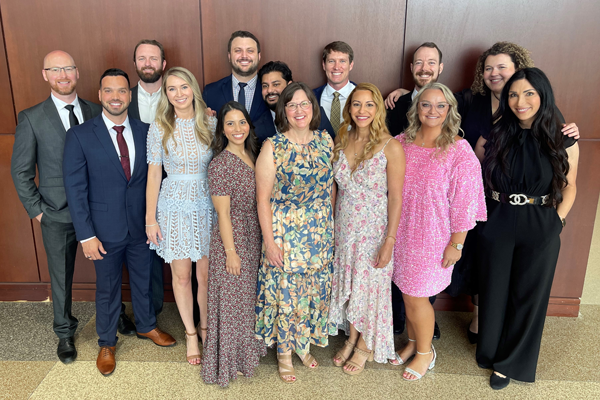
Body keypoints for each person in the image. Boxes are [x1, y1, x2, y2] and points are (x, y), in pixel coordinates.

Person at [386, 42, 579, 342]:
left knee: (509, 277)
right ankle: (480, 328)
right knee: (485, 268)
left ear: (517, 71)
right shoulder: (470, 100)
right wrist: (403, 93)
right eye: (488, 68)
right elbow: (432, 101)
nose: (494, 73)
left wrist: (558, 219)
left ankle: (479, 337)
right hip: (478, 200)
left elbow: (566, 173)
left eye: (502, 67)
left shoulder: (537, 110)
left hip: (494, 202)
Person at [63, 68, 176, 376]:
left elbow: (158, 178)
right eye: (109, 91)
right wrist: (86, 235)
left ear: (130, 95)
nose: (116, 97)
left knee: (143, 281)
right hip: (103, 230)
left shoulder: (147, 130)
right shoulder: (80, 136)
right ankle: (106, 341)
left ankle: (147, 326)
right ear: (100, 95)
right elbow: (75, 190)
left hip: (142, 227)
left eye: (122, 91)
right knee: (108, 288)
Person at [476, 68, 579, 390]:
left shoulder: (563, 136)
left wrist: (557, 222)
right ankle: (490, 352)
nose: (520, 101)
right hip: (499, 219)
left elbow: (570, 184)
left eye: (529, 93)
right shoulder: (496, 132)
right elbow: (474, 174)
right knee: (494, 291)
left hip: (541, 222)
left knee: (528, 296)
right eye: (514, 94)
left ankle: (510, 363)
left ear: (542, 95)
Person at [10, 50, 102, 364]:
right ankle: (64, 332)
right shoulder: (31, 117)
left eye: (68, 69)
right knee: (60, 275)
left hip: (97, 209)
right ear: (45, 75)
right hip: (55, 211)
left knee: (109, 268)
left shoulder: (96, 110)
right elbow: (20, 171)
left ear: (77, 73)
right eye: (55, 69)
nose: (63, 75)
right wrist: (37, 209)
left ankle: (113, 317)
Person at [392, 82, 486, 381]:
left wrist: (457, 244)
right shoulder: (401, 142)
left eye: (440, 105)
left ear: (449, 110)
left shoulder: (459, 150)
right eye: (426, 104)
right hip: (401, 233)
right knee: (407, 295)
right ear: (416, 109)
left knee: (418, 297)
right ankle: (412, 341)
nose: (432, 110)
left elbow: (466, 202)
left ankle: (425, 353)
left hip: (433, 237)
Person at [255, 82, 335, 383]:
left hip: (319, 230)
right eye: (292, 105)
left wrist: (331, 229)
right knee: (288, 294)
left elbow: (330, 186)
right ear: (283, 111)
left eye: (304, 104)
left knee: (311, 291)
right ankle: (285, 353)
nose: (299, 110)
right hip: (285, 231)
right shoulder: (273, 146)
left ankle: (303, 343)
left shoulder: (326, 141)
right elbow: (262, 198)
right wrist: (270, 241)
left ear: (313, 108)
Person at [327, 83, 405, 374]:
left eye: (369, 104)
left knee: (370, 288)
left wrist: (390, 240)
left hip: (374, 230)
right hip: (345, 227)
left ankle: (365, 346)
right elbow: (335, 187)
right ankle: (352, 337)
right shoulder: (342, 137)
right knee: (351, 285)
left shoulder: (390, 146)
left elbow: (396, 197)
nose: (362, 111)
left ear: (378, 109)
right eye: (356, 104)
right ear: (349, 108)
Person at [145, 67, 216, 365]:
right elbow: (153, 174)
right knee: (182, 275)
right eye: (171, 89)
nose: (178, 94)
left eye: (183, 87)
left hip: (207, 203)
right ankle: (190, 333)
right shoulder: (159, 126)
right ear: (166, 94)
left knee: (206, 275)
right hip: (173, 205)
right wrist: (151, 218)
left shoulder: (210, 121)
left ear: (193, 89)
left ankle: (205, 327)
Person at [202, 101, 266, 387]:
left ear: (249, 125)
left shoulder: (255, 154)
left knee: (247, 301)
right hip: (234, 238)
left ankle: (246, 354)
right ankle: (228, 360)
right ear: (222, 129)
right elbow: (223, 214)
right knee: (231, 303)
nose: (237, 128)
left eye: (241, 122)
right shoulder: (220, 164)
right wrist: (231, 253)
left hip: (255, 234)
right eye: (230, 123)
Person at [385, 42, 444, 339]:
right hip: (400, 203)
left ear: (440, 68)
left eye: (431, 62)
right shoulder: (397, 103)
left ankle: (423, 330)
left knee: (425, 278)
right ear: (411, 68)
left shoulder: (452, 102)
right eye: (419, 62)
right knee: (401, 269)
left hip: (434, 214)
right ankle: (404, 325)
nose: (424, 68)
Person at [125, 39, 168, 319]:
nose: (148, 63)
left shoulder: (181, 95)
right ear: (135, 64)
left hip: (178, 186)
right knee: (144, 250)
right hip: (135, 187)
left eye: (153, 58)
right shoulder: (121, 99)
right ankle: (149, 313)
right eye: (142, 58)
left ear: (164, 64)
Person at [203, 30, 273, 141]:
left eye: (250, 51)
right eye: (238, 50)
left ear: (259, 56)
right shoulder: (211, 92)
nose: (244, 56)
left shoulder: (272, 92)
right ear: (229, 56)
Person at [258, 61, 334, 137]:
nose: (270, 90)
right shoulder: (257, 127)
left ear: (289, 85)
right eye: (265, 86)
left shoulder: (316, 113)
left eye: (276, 84)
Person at [313, 41, 356, 136]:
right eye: (331, 61)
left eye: (342, 61)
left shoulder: (366, 96)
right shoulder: (311, 97)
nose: (336, 67)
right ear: (324, 65)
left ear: (351, 65)